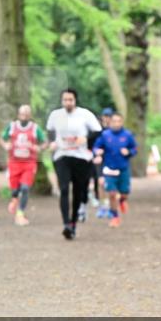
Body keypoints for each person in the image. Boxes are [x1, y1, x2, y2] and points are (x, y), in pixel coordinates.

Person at [46, 89, 102, 240]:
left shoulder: (85, 114)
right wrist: (52, 142)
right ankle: (66, 224)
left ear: (75, 100)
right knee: (64, 189)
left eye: (70, 100)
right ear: (62, 100)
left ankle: (73, 222)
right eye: (65, 100)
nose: (67, 103)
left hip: (80, 157)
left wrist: (86, 139)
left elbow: (97, 131)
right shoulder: (55, 115)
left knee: (78, 190)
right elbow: (50, 131)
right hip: (61, 155)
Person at [0, 104, 47, 226]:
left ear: (30, 115)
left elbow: (45, 143)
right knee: (15, 190)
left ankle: (20, 214)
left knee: (25, 188)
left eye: (26, 114)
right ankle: (14, 200)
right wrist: (6, 145)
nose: (24, 116)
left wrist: (39, 147)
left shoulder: (35, 128)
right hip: (14, 163)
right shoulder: (12, 126)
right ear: (18, 115)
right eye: (21, 114)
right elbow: (2, 138)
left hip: (29, 163)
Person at [93, 112, 137, 228]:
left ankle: (123, 200)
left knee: (124, 193)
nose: (116, 124)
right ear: (110, 122)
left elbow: (134, 148)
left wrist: (129, 152)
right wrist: (97, 152)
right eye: (114, 121)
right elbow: (96, 147)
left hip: (123, 168)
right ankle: (115, 217)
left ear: (122, 122)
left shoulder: (127, 135)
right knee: (112, 194)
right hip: (109, 169)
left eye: (119, 121)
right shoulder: (105, 135)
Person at [94, 108, 114, 218]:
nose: (106, 119)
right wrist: (96, 153)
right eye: (105, 116)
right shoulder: (98, 131)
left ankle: (112, 207)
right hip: (100, 161)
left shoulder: (116, 131)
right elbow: (93, 145)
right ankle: (103, 207)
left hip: (112, 161)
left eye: (109, 117)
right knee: (101, 183)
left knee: (111, 184)